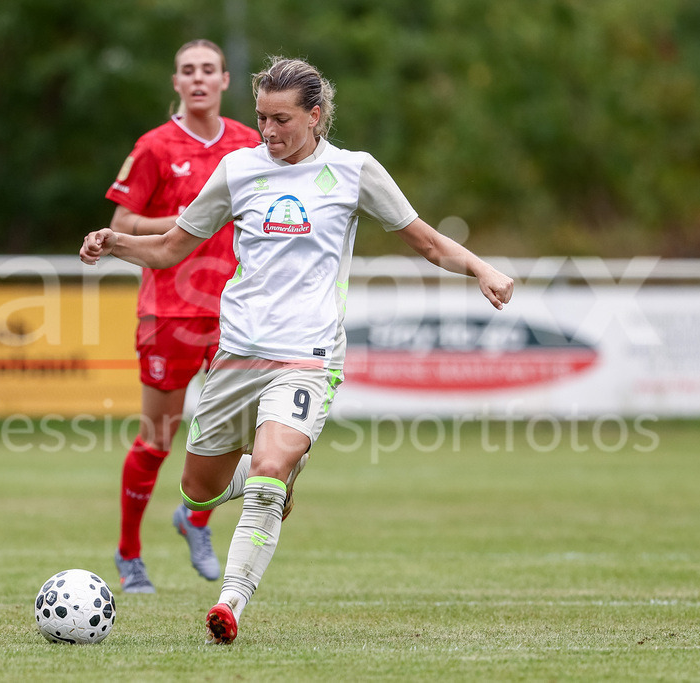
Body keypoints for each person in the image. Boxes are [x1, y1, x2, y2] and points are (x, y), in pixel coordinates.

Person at [81, 56, 514, 641]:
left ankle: (230, 604)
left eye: (281, 119)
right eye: (261, 118)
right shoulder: (238, 169)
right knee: (196, 489)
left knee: (268, 469)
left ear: (315, 115)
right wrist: (117, 244)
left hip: (308, 356)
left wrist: (481, 269)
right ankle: (272, 476)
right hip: (237, 354)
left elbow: (430, 244)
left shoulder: (355, 171)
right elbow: (169, 248)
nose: (268, 132)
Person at [103, 40, 262, 594]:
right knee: (158, 439)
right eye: (188, 71)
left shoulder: (249, 142)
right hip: (168, 313)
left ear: (223, 81)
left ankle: (194, 519)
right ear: (176, 82)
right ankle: (129, 556)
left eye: (209, 70)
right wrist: (188, 219)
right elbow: (125, 219)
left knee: (234, 440)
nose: (198, 79)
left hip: (236, 314)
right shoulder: (154, 147)